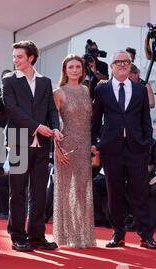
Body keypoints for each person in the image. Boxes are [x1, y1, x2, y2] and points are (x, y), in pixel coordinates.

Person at [91, 50, 156, 250]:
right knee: (114, 193)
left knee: (140, 192)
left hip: (136, 149)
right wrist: (94, 142)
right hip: (111, 149)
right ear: (111, 66)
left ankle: (146, 235)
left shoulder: (140, 90)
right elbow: (95, 120)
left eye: (126, 61)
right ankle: (118, 234)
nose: (122, 64)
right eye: (118, 62)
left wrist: (147, 142)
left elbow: (145, 120)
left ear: (130, 66)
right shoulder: (101, 90)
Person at [2, 40, 62, 252]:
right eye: (14, 56)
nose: (15, 60)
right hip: (19, 142)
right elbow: (12, 110)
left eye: (19, 56)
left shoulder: (45, 82)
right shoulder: (9, 81)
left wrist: (55, 128)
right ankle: (18, 236)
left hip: (43, 144)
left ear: (31, 58)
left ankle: (37, 236)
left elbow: (51, 110)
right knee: (17, 192)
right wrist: (38, 127)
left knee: (38, 192)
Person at [52, 54, 96, 248]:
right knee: (67, 190)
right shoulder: (58, 92)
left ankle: (83, 235)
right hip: (66, 145)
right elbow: (53, 123)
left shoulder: (86, 90)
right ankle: (67, 236)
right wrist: (57, 149)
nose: (75, 70)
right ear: (65, 70)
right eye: (71, 67)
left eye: (78, 67)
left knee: (83, 190)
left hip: (85, 145)